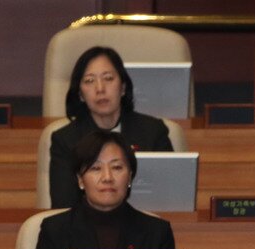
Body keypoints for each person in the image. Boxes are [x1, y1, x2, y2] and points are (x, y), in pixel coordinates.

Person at [32, 129, 176, 249]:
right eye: (95, 168)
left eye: (117, 167)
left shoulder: (157, 232)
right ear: (80, 180)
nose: (107, 178)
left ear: (130, 177)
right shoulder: (54, 230)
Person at [47, 46, 173, 208]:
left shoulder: (153, 131)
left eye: (108, 78)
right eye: (89, 81)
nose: (100, 89)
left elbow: (170, 196)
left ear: (123, 87)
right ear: (80, 94)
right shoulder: (65, 140)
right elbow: (63, 205)